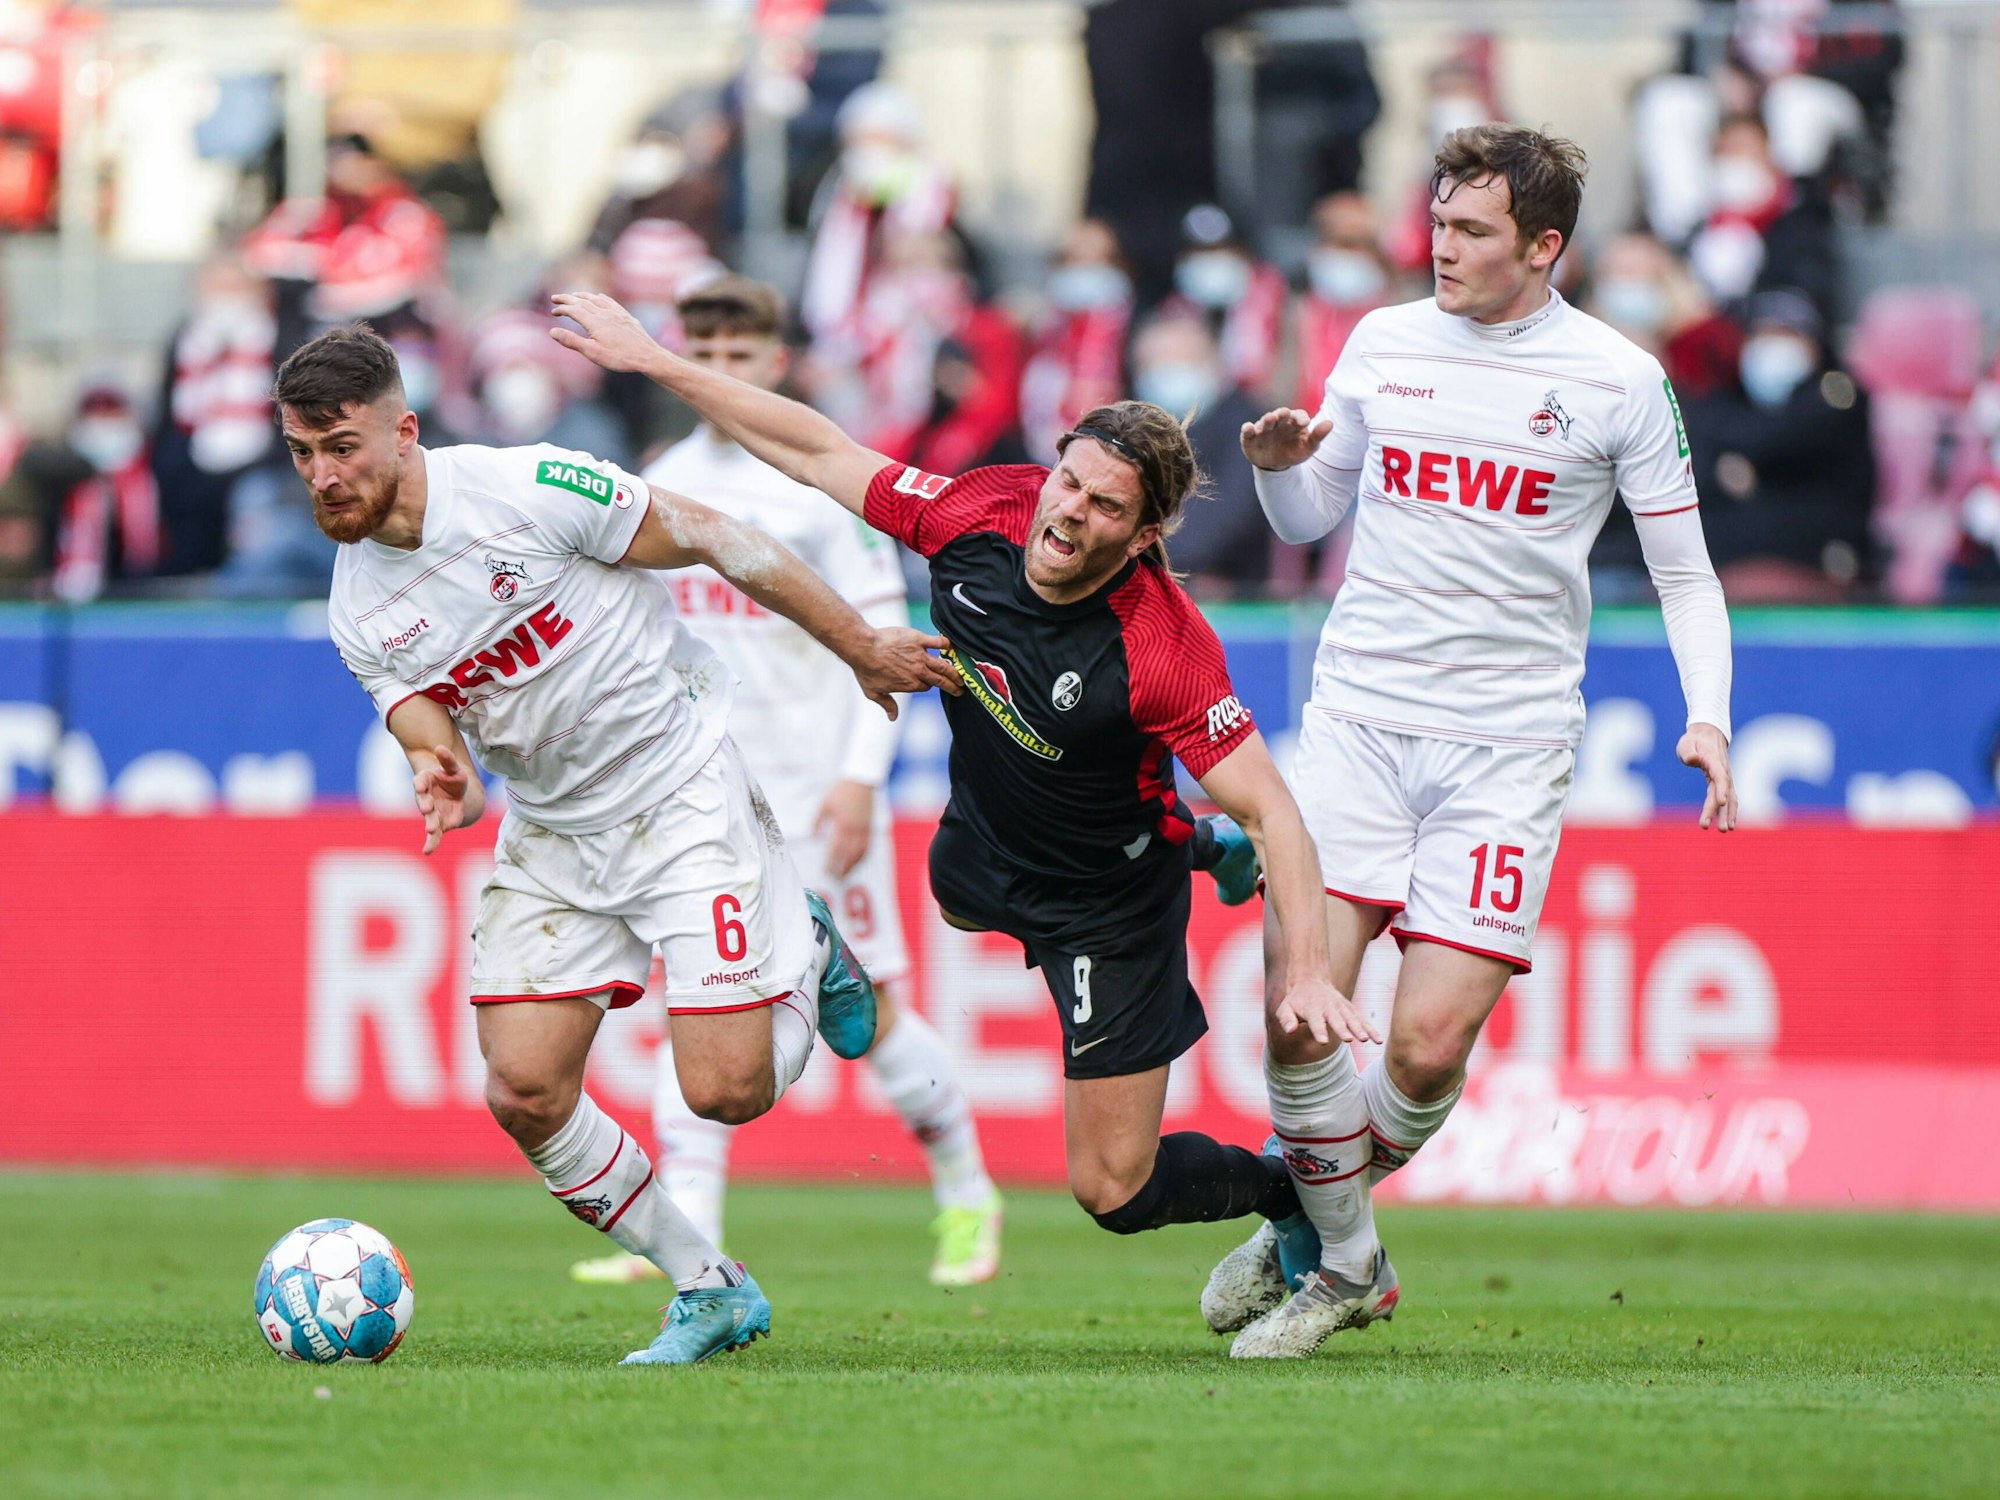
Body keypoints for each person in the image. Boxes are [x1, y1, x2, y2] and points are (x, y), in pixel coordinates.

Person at [550, 288, 1381, 1312]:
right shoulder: (980, 511)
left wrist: (1304, 968)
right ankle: (843, 941)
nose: (1068, 514)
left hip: (1107, 899)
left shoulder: (1162, 646)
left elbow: (1279, 815)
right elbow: (817, 451)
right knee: (948, 895)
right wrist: (655, 365)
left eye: (1104, 507)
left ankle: (1282, 1193)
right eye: (1068, 483)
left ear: (1145, 532)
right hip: (983, 847)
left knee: (1110, 1190)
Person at [288, 323, 958, 1364]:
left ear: (405, 430)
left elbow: (712, 536)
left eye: (342, 447)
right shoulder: (356, 604)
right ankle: (706, 1285)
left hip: (678, 785)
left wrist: (859, 645)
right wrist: (441, 772)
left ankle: (809, 950)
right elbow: (424, 724)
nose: (322, 478)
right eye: (302, 454)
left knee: (722, 1090)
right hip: (554, 827)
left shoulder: (526, 486)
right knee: (520, 1090)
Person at [1217, 123, 1739, 1359]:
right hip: (1358, 719)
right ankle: (1347, 1265)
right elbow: (1309, 513)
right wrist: (1276, 470)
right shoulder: (1384, 343)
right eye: (1436, 224)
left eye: (1470, 231)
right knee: (1296, 1015)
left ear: (1542, 246)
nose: (1438, 249)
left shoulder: (1617, 379)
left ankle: (1306, 1207)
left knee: (1425, 1044)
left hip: (1505, 747)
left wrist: (1706, 715)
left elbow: (1684, 574)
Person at [567, 275, 1005, 1290]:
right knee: (700, 995)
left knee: (875, 1013)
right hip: (700, 797)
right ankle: (692, 1236)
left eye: (739, 355)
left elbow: (884, 641)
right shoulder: (659, 478)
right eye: (702, 354)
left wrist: (859, 782)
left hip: (812, 794)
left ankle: (963, 1185)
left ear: (775, 364)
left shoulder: (816, 481)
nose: (719, 372)